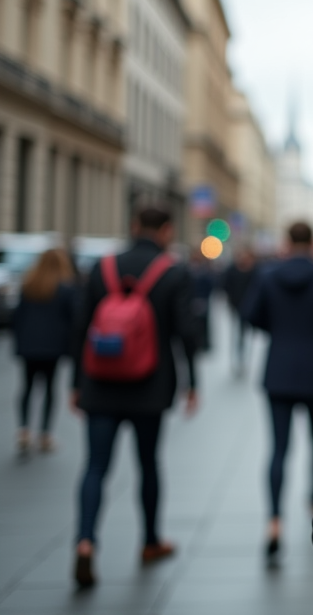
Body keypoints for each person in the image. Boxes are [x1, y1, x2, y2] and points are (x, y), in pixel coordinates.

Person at [70, 205, 200, 589]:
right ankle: (149, 541)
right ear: (166, 231)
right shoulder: (172, 271)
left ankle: (85, 542)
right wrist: (193, 384)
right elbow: (186, 333)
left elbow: (80, 326)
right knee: (148, 463)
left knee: (95, 467)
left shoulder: (102, 268)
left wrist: (76, 384)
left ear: (133, 225)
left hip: (100, 384)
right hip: (150, 386)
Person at [242, 222, 313, 560]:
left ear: (287, 242)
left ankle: (273, 520)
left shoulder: (269, 276)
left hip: (279, 370)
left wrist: (280, 328)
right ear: (312, 243)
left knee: (278, 449)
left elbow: (252, 316)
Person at [13, 248, 78, 454]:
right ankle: (45, 434)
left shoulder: (29, 284)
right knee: (50, 389)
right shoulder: (65, 288)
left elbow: (18, 316)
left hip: (29, 345)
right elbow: (74, 319)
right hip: (53, 346)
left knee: (27, 386)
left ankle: (23, 430)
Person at [220, 247, 258, 377]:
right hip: (236, 306)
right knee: (237, 335)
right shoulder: (232, 270)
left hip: (250, 308)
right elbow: (225, 286)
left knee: (247, 335)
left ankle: (245, 360)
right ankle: (238, 361)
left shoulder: (255, 271)